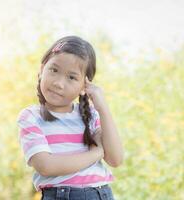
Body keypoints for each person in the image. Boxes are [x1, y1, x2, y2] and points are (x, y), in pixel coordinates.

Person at [16, 35, 124, 200]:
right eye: (54, 70)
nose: (59, 83)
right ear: (42, 69)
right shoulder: (31, 117)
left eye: (72, 77)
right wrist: (96, 154)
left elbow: (115, 159)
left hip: (101, 194)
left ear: (84, 86)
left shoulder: (89, 116)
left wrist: (102, 107)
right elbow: (46, 166)